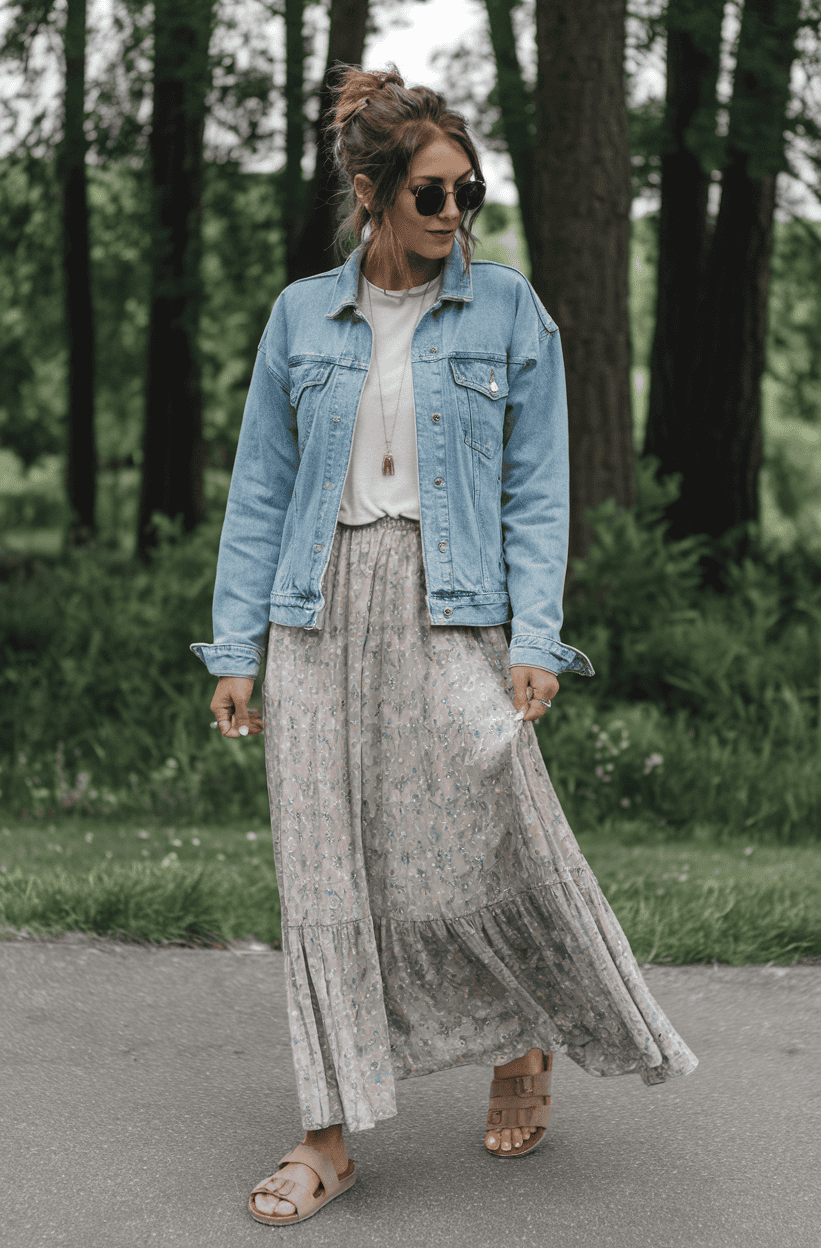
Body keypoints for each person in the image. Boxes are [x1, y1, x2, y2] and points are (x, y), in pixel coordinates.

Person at [191, 64, 697, 1228]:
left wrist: (535, 635)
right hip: (313, 609)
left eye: (469, 191)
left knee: (488, 831)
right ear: (370, 191)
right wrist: (234, 649)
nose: (454, 213)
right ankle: (327, 1135)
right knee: (321, 866)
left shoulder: (508, 311)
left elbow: (537, 489)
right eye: (430, 192)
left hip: (449, 602)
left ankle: (521, 1038)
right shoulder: (299, 317)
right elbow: (259, 491)